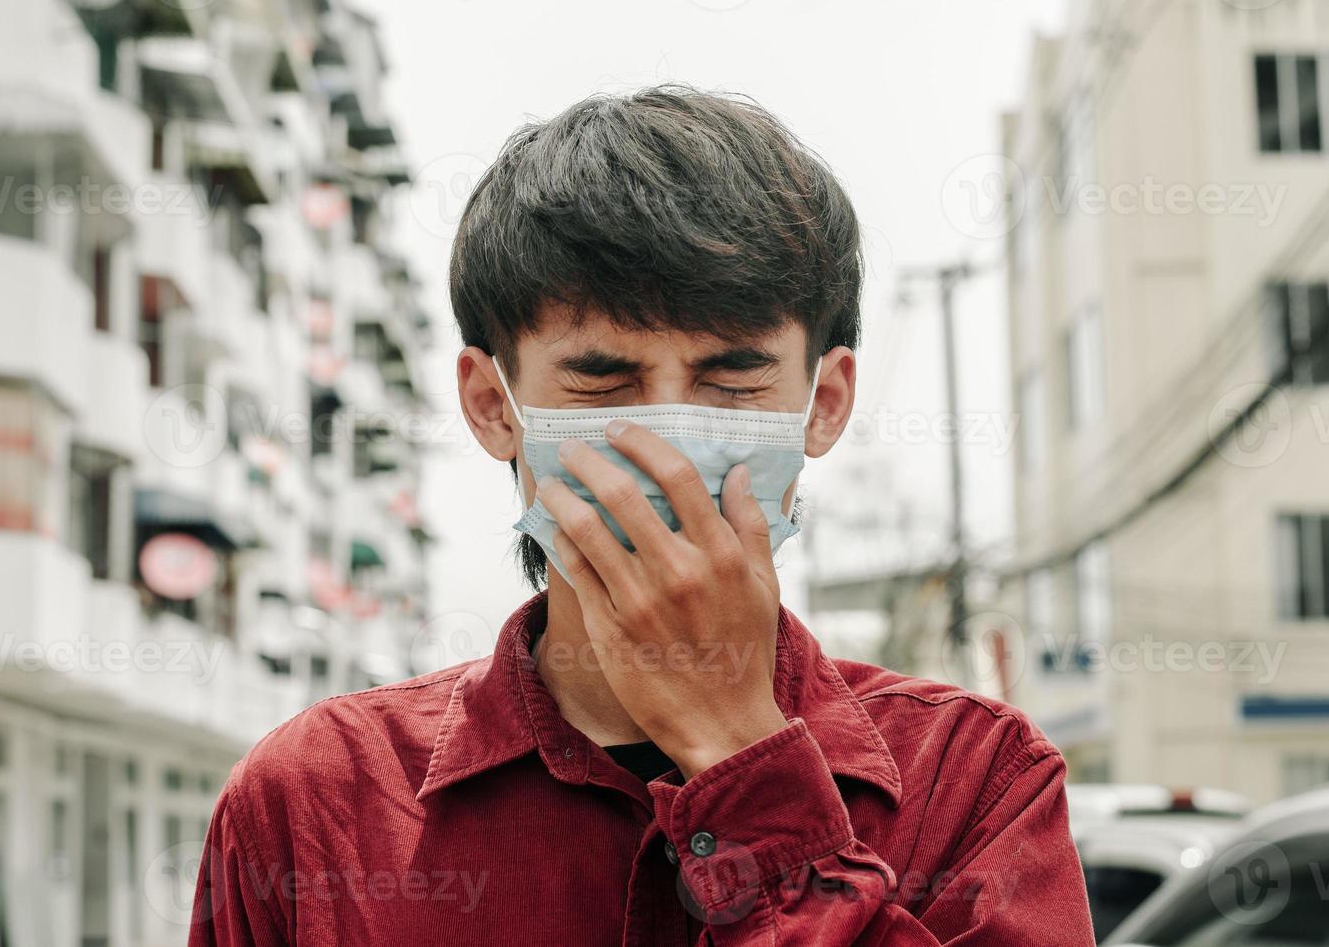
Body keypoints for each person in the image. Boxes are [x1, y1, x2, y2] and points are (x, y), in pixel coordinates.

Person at [189, 85, 1095, 946]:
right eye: (600, 380)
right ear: (493, 405)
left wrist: (741, 755)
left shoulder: (974, 781)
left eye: (732, 379)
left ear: (822, 402)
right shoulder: (312, 801)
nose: (660, 443)